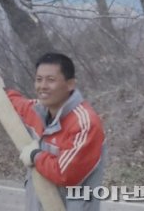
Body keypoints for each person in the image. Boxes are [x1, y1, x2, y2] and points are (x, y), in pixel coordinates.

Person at [7, 52, 105, 211]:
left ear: (70, 84)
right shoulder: (39, 111)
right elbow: (16, 103)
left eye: (51, 80)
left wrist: (35, 155)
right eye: (39, 79)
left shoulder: (84, 123)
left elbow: (65, 173)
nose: (43, 86)